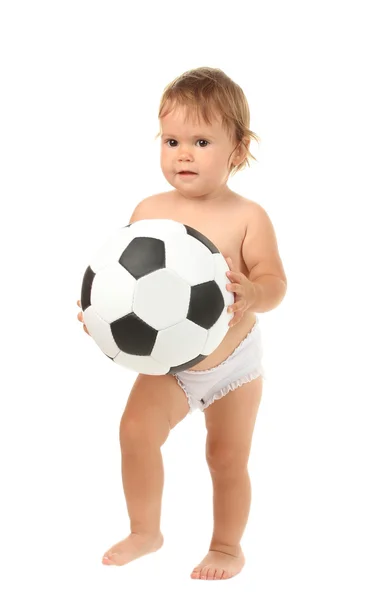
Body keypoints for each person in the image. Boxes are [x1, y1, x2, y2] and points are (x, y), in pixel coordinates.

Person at [76, 66, 287, 580]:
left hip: (233, 364)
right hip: (170, 362)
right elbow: (125, 281)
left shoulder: (247, 216)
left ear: (238, 150)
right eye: (171, 140)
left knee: (225, 457)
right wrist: (101, 313)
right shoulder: (151, 210)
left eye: (200, 141)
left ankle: (226, 546)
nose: (183, 154)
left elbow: (276, 284)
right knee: (134, 432)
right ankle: (146, 530)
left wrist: (253, 292)